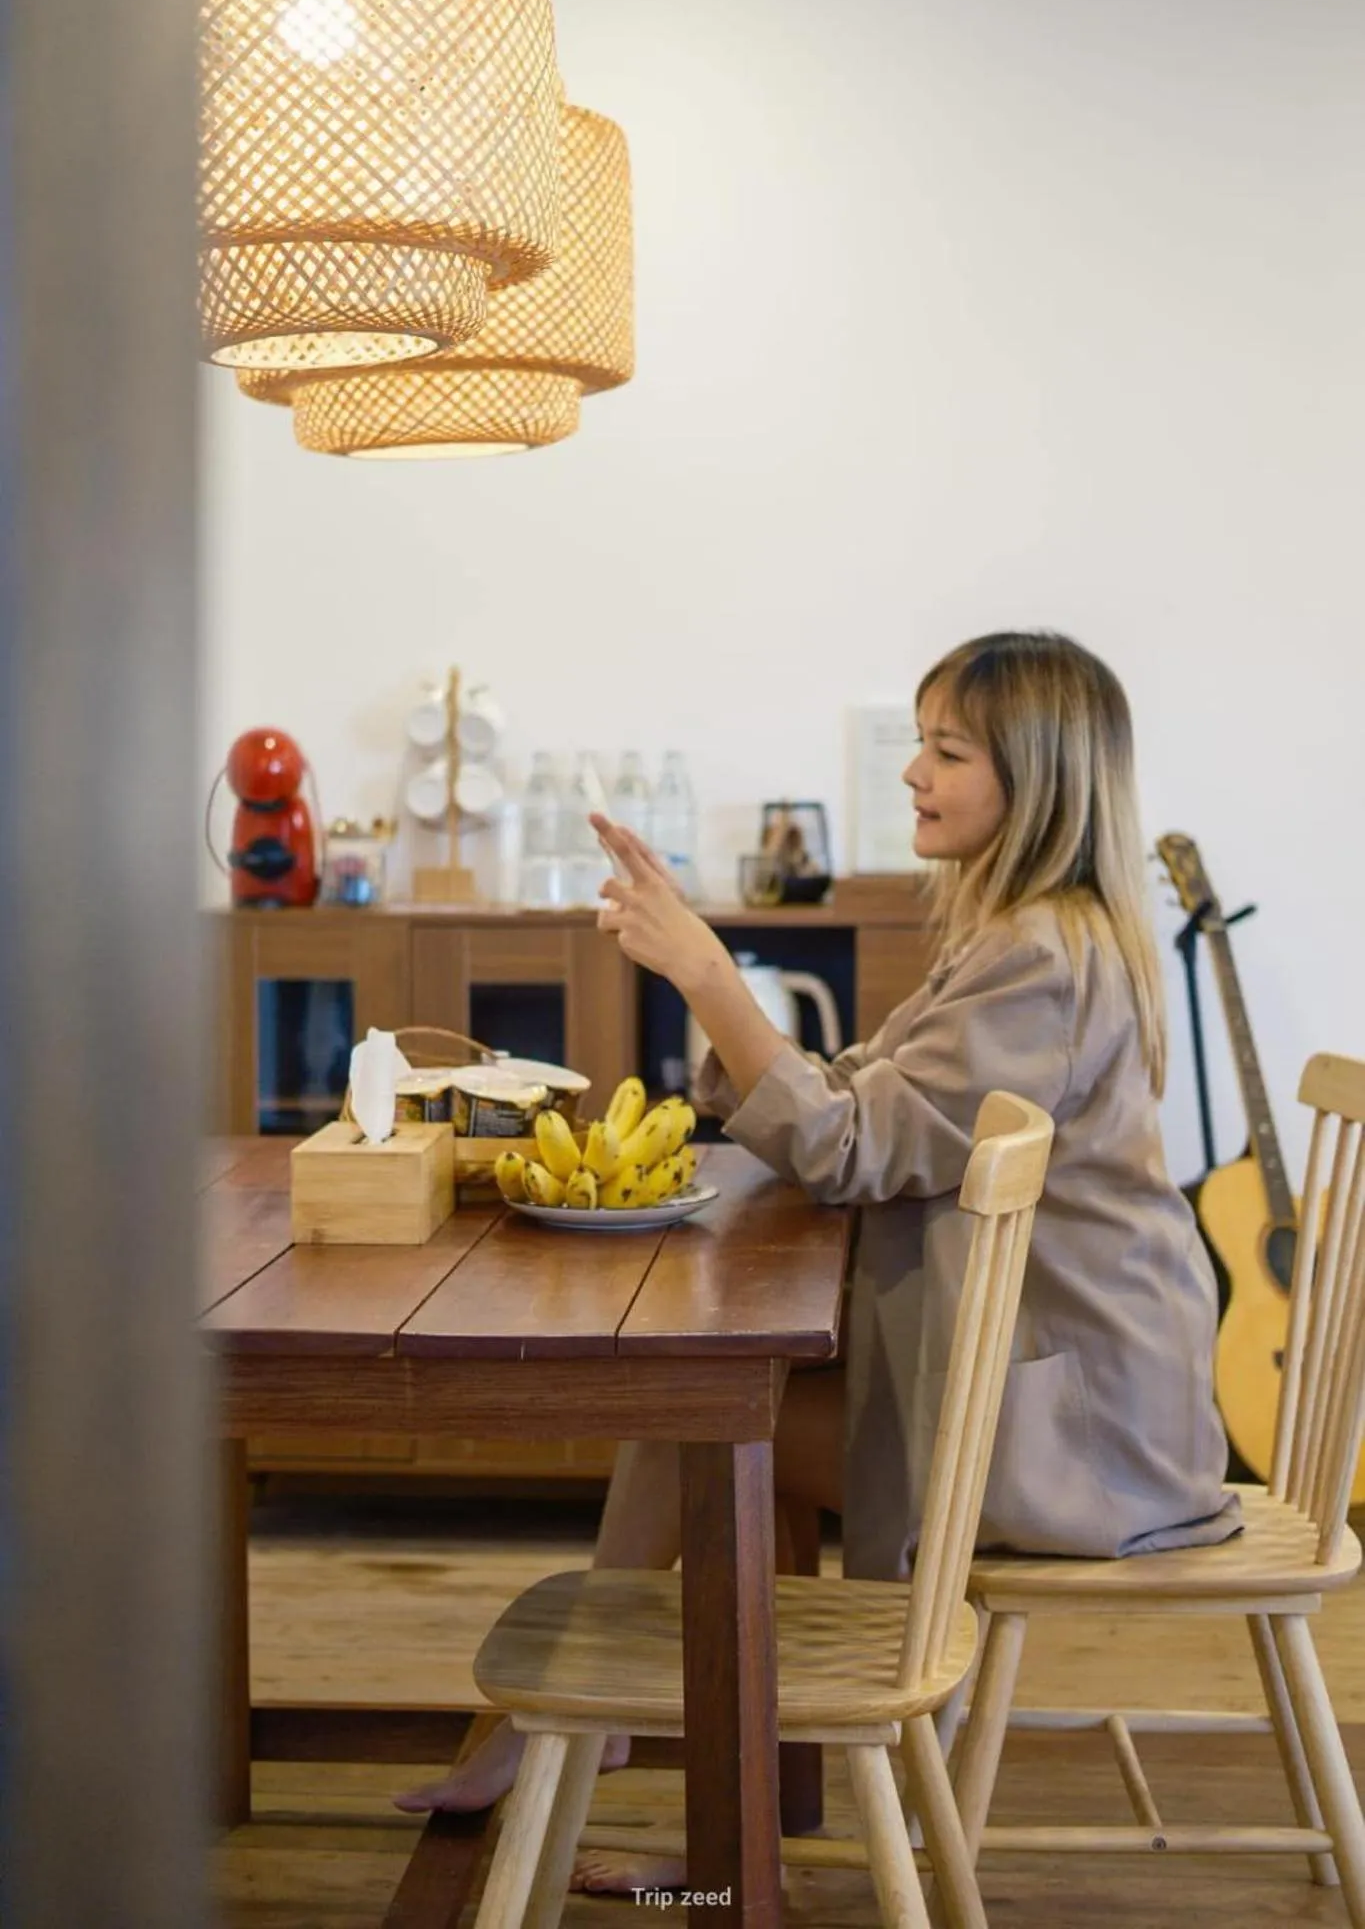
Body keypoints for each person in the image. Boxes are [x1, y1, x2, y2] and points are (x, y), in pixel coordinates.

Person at [396, 630, 1238, 1893]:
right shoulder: (1021, 932)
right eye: (921, 741)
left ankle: (625, 1754)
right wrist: (707, 979)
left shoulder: (1043, 959)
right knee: (708, 1403)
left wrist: (703, 965)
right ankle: (723, 1800)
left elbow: (844, 1143)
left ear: (1044, 777)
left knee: (698, 1408)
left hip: (1087, 1437)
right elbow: (861, 1093)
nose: (913, 771)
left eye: (949, 750)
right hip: (1059, 1391)